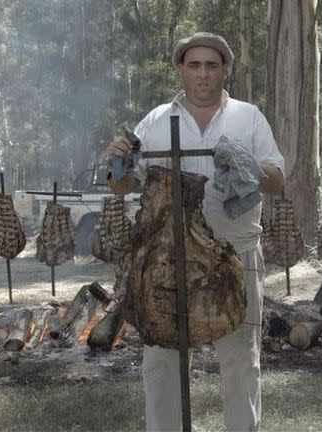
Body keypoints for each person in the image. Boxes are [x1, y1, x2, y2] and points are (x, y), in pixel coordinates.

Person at [103, 32, 284, 431]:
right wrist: (116, 165)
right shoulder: (155, 121)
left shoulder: (248, 117)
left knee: (240, 359)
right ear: (181, 70)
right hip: (167, 258)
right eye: (194, 65)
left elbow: (276, 179)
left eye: (212, 65)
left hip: (235, 253)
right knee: (162, 361)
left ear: (224, 70)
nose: (203, 74)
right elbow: (126, 184)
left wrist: (247, 166)